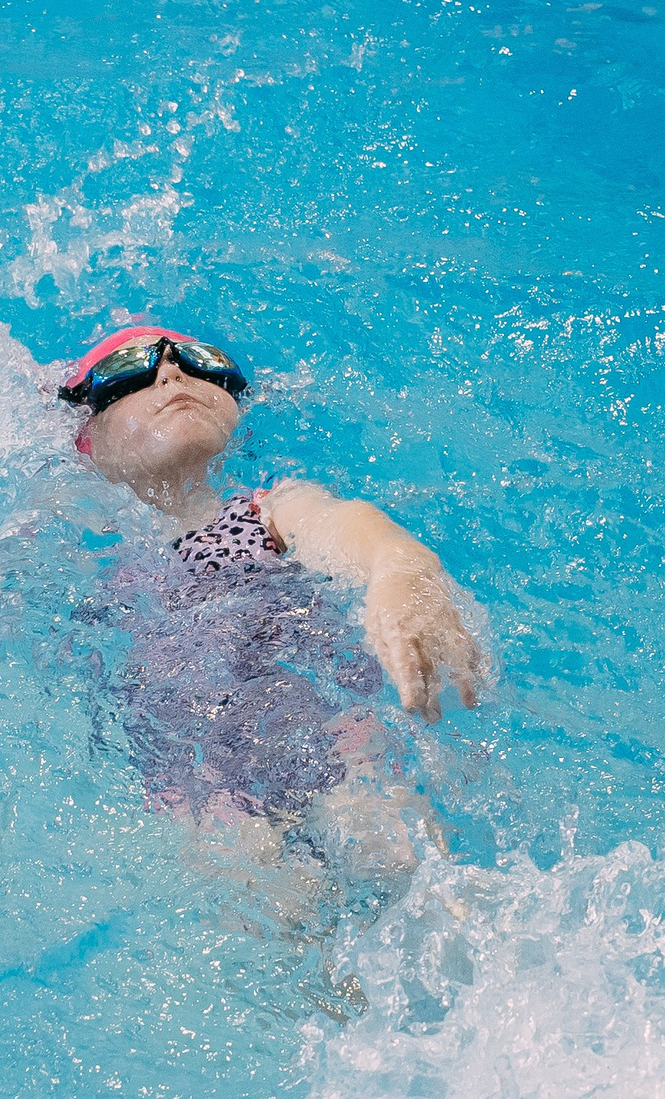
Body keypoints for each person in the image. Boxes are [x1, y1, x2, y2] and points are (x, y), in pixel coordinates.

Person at [58, 324, 484, 887]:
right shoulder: (81, 560)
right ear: (87, 441)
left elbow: (341, 524)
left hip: (340, 753)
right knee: (266, 927)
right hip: (200, 792)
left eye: (202, 364)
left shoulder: (266, 510)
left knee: (405, 868)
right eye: (130, 373)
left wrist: (399, 565)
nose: (171, 373)